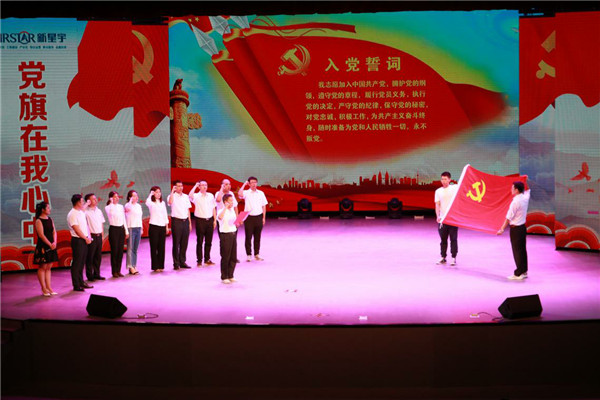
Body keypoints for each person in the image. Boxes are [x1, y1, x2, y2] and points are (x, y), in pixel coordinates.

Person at [497, 181, 531, 280]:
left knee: (517, 251)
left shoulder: (515, 202)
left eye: (512, 188)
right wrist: (526, 181)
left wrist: (502, 229)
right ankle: (524, 271)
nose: (511, 190)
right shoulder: (525, 198)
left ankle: (518, 273)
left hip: (516, 229)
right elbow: (528, 190)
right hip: (522, 228)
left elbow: (508, 217)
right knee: (522, 250)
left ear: (516, 190)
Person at [67, 194, 93, 292]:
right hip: (78, 240)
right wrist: (85, 238)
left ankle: (81, 282)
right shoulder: (72, 214)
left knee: (82, 262)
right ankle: (76, 285)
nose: (83, 203)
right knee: (77, 263)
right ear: (78, 202)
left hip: (84, 239)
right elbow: (77, 229)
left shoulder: (80, 212)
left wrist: (88, 237)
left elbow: (85, 226)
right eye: (82, 201)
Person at [238, 176, 268, 262]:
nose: (254, 184)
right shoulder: (246, 192)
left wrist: (263, 217)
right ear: (249, 184)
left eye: (255, 182)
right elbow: (240, 194)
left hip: (259, 217)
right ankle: (249, 254)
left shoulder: (261, 193)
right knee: (248, 237)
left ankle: (257, 254)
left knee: (257, 237)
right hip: (249, 218)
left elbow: (264, 206)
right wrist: (244, 184)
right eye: (252, 182)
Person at [33, 201, 58, 296]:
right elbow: (41, 235)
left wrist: (54, 242)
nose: (49, 209)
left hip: (52, 245)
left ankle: (49, 288)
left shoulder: (50, 219)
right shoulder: (38, 221)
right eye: (47, 208)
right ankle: (43, 288)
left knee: (49, 267)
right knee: (43, 267)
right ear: (43, 210)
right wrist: (50, 244)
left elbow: (54, 232)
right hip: (43, 246)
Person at [189, 180, 217, 268]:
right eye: (202, 185)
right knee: (200, 241)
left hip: (209, 220)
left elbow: (213, 208)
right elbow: (190, 195)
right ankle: (199, 260)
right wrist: (195, 186)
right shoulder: (196, 196)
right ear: (199, 187)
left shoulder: (211, 196)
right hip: (200, 221)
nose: (204, 186)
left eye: (206, 185)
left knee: (209, 241)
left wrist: (215, 220)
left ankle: (207, 259)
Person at [434, 171, 459, 266]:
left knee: (453, 239)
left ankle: (453, 258)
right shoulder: (438, 191)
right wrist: (438, 216)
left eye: (445, 179)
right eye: (442, 179)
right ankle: (443, 257)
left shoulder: (454, 188)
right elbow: (437, 205)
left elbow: (463, 185)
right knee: (443, 240)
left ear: (449, 180)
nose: (443, 181)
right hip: (443, 219)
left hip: (453, 219)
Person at [167, 180, 192, 269]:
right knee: (176, 242)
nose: (180, 188)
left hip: (185, 221)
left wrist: (189, 222)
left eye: (181, 186)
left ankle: (182, 261)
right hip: (176, 221)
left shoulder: (185, 196)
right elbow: (170, 202)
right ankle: (176, 263)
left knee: (184, 243)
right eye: (178, 186)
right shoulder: (171, 196)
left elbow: (188, 210)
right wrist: (172, 192)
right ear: (174, 187)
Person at [105, 191, 129, 278]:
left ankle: (118, 270)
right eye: (115, 197)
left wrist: (126, 231)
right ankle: (114, 271)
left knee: (120, 251)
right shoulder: (108, 207)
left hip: (121, 229)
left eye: (117, 196)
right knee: (114, 250)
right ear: (111, 198)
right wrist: (111, 202)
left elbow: (123, 219)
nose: (117, 198)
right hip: (113, 229)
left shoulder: (120, 206)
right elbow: (111, 213)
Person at [146, 186, 170, 272]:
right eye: (156, 192)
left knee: (161, 247)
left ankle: (161, 265)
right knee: (154, 247)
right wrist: (151, 194)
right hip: (154, 226)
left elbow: (165, 215)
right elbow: (147, 202)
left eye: (159, 192)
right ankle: (155, 266)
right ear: (153, 193)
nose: (159, 193)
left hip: (162, 226)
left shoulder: (162, 203)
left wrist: (166, 226)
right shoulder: (151, 203)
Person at [218, 193, 240, 283]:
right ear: (225, 202)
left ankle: (231, 275)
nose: (232, 202)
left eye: (232, 201)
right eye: (230, 201)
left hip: (233, 233)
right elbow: (220, 217)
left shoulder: (232, 211)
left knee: (233, 256)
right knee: (225, 256)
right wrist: (225, 208)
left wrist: (238, 222)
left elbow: (234, 222)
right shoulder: (221, 210)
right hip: (225, 235)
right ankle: (224, 276)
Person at [84, 193, 106, 281]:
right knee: (90, 256)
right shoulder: (85, 212)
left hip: (99, 235)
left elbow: (101, 223)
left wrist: (102, 235)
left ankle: (97, 274)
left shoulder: (99, 211)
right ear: (88, 201)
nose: (96, 200)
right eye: (93, 199)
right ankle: (90, 275)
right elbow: (81, 212)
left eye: (95, 198)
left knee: (98, 256)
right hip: (91, 236)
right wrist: (86, 204)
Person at [125, 190, 143, 275]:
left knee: (135, 249)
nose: (136, 197)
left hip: (138, 227)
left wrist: (141, 228)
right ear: (130, 197)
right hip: (131, 228)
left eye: (136, 195)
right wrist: (130, 201)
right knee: (130, 248)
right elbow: (128, 208)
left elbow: (140, 217)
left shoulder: (138, 206)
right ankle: (130, 266)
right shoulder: (127, 205)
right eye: (134, 196)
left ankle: (134, 265)